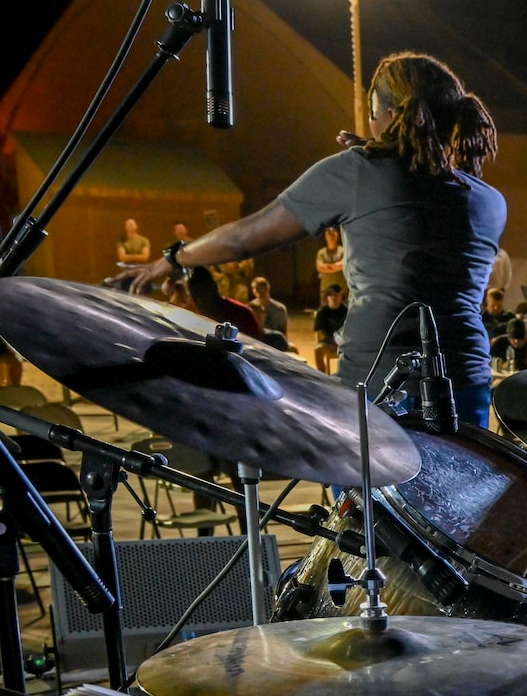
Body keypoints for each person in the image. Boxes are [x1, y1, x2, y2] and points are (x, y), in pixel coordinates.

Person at [121, 52, 505, 427]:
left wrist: (174, 258)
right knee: (459, 492)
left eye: (373, 112)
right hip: (466, 383)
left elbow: (246, 237)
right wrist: (379, 162)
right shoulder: (491, 202)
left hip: (383, 384)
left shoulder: (356, 172)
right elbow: (420, 216)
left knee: (364, 493)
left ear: (391, 115)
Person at [314, 283, 348, 372]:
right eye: (331, 295)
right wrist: (333, 342)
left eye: (337, 295)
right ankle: (323, 376)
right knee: (318, 351)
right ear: (327, 297)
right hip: (328, 342)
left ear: (341, 297)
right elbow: (320, 331)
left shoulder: (347, 311)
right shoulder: (322, 312)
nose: (334, 298)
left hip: (345, 342)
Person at [483, 287, 515, 366]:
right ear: (487, 302)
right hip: (487, 351)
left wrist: (498, 339)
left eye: (499, 305)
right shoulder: (481, 317)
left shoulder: (509, 317)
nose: (496, 308)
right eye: (493, 305)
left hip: (505, 351)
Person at [316, 224, 346, 301]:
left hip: (341, 289)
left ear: (337, 235)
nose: (331, 236)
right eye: (329, 234)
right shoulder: (321, 252)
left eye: (333, 233)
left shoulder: (343, 251)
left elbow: (343, 265)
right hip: (326, 289)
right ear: (326, 236)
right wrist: (335, 266)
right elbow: (319, 267)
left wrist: (327, 267)